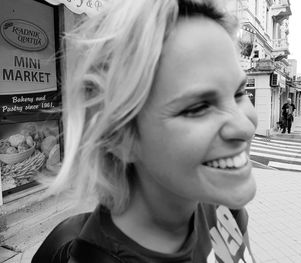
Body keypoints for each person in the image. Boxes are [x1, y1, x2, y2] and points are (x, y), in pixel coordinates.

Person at [32, 0, 258, 262]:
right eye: (198, 107)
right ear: (119, 137)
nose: (244, 125)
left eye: (239, 93)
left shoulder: (219, 200)